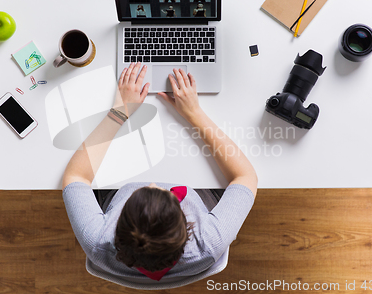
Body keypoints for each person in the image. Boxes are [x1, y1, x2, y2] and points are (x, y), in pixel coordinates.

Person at [62, 62, 257, 282]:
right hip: (200, 196)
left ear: (117, 225)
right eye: (162, 192)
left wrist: (120, 111)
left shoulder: (97, 240)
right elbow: (245, 176)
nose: (153, 183)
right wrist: (194, 113)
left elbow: (76, 176)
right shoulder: (210, 241)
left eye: (142, 192)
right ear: (186, 224)